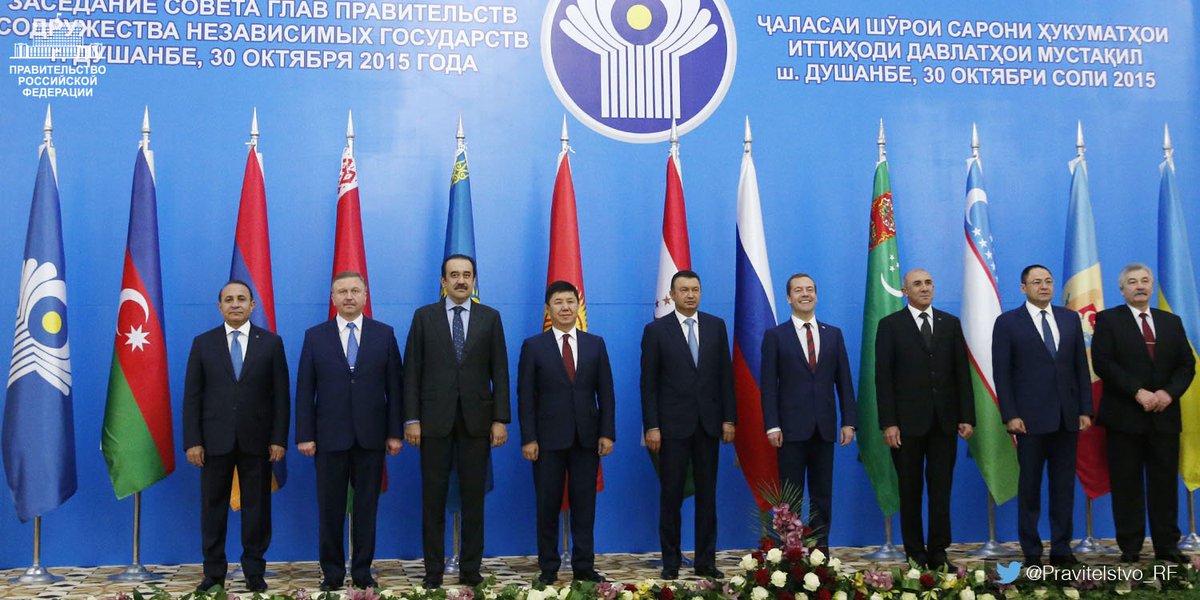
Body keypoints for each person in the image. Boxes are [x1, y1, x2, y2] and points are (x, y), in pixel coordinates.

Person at [404, 254, 510, 588]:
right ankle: (433, 571)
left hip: (477, 423)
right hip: (433, 423)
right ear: (443, 281)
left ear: (474, 280)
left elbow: (500, 372)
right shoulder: (424, 317)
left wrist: (500, 419)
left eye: (466, 275)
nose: (461, 280)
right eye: (454, 275)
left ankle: (470, 569)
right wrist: (412, 419)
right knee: (433, 500)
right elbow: (411, 372)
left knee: (473, 501)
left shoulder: (490, 318)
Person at [295, 271, 404, 591]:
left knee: (367, 508)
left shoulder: (384, 334)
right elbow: (305, 389)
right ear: (333, 298)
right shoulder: (315, 336)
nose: (349, 296)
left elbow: (395, 388)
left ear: (365, 296)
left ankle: (362, 571)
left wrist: (394, 432)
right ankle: (331, 572)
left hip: (371, 437)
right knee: (330, 509)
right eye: (342, 291)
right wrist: (305, 434)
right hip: (329, 437)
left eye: (355, 290)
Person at [182, 280, 290, 593]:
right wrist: (193, 441)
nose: (235, 304)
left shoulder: (271, 343)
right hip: (213, 442)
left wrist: (279, 439)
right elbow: (192, 397)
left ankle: (254, 571)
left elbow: (281, 397)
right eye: (228, 299)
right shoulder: (203, 343)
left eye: (242, 299)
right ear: (220, 306)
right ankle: (213, 573)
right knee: (212, 508)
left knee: (257, 509)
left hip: (258, 442)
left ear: (252, 305)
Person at [1092, 263, 1195, 564]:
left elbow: (1186, 364)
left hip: (1164, 416)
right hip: (1124, 417)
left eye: (1145, 281)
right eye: (1133, 282)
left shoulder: (1171, 321)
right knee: (1127, 485)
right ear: (1122, 289)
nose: (1140, 286)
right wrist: (1138, 392)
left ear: (1151, 286)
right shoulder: (1108, 320)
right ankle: (1130, 547)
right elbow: (1103, 363)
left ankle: (1167, 546)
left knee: (1165, 485)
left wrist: (1167, 393)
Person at [992, 264, 1092, 568]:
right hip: (1029, 421)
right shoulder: (1008, 323)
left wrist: (1085, 409)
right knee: (1030, 489)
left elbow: (1080, 368)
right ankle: (1032, 552)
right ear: (1023, 288)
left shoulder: (1070, 319)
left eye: (1048, 281)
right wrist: (1010, 414)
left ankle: (1062, 550)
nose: (1044, 286)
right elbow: (1002, 374)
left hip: (1066, 419)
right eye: (1037, 282)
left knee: (1063, 488)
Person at [875, 268, 975, 570]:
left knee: (941, 489)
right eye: (917, 284)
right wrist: (889, 422)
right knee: (910, 490)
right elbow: (883, 378)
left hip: (944, 423)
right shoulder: (890, 325)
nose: (924, 288)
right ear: (905, 291)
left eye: (929, 282)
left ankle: (939, 550)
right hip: (906, 425)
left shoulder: (950, 323)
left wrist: (966, 416)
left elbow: (961, 372)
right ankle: (915, 552)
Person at [518, 281, 615, 585]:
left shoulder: (595, 344)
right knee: (547, 505)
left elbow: (606, 392)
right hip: (546, 441)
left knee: (584, 506)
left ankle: (584, 566)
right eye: (558, 302)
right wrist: (529, 438)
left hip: (587, 439)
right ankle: (548, 567)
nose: (565, 307)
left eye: (570, 301)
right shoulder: (534, 346)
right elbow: (525, 396)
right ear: (548, 309)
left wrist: (607, 433)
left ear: (578, 306)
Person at [640, 270, 735, 580]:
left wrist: (729, 418)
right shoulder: (656, 331)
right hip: (671, 428)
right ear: (672, 295)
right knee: (671, 496)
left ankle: (706, 560)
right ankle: (671, 561)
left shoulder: (716, 326)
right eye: (684, 290)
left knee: (708, 496)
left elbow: (725, 377)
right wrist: (652, 426)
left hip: (708, 426)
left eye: (695, 289)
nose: (690, 295)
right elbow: (648, 384)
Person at [759, 273, 856, 552]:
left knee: (822, 496)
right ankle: (790, 552)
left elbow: (844, 381)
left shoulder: (833, 334)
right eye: (799, 290)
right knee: (791, 498)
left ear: (816, 295)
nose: (805, 294)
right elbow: (768, 384)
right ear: (788, 297)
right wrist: (772, 425)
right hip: (789, 430)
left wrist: (849, 421)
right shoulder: (776, 336)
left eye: (810, 289)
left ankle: (819, 552)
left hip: (824, 428)